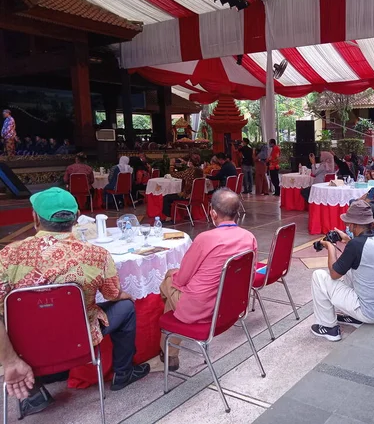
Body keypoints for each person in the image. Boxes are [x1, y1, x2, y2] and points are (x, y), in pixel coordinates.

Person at [0, 188, 149, 415]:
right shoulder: (96, 254)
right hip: (81, 338)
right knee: (126, 307)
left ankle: (34, 393)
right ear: (77, 216)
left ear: (35, 217)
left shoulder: (8, 255)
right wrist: (124, 295)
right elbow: (112, 294)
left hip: (26, 344)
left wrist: (9, 361)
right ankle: (123, 372)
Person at [159, 188, 257, 370]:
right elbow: (249, 275)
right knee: (174, 283)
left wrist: (175, 277)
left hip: (201, 310)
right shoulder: (249, 237)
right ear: (236, 212)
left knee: (168, 279)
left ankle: (169, 348)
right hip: (229, 307)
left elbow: (182, 279)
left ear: (212, 213)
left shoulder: (206, 239)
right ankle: (169, 350)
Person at [310, 200, 374, 341]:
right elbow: (360, 251)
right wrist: (348, 240)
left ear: (353, 224)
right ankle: (353, 317)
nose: (347, 227)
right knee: (353, 269)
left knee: (319, 276)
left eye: (348, 224)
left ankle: (328, 327)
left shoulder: (356, 246)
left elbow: (334, 274)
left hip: (371, 313)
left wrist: (330, 247)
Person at [162, 154, 204, 222]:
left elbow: (174, 174)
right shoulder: (200, 171)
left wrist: (171, 165)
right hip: (196, 196)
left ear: (190, 163)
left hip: (187, 196)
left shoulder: (190, 171)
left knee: (166, 197)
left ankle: (168, 217)